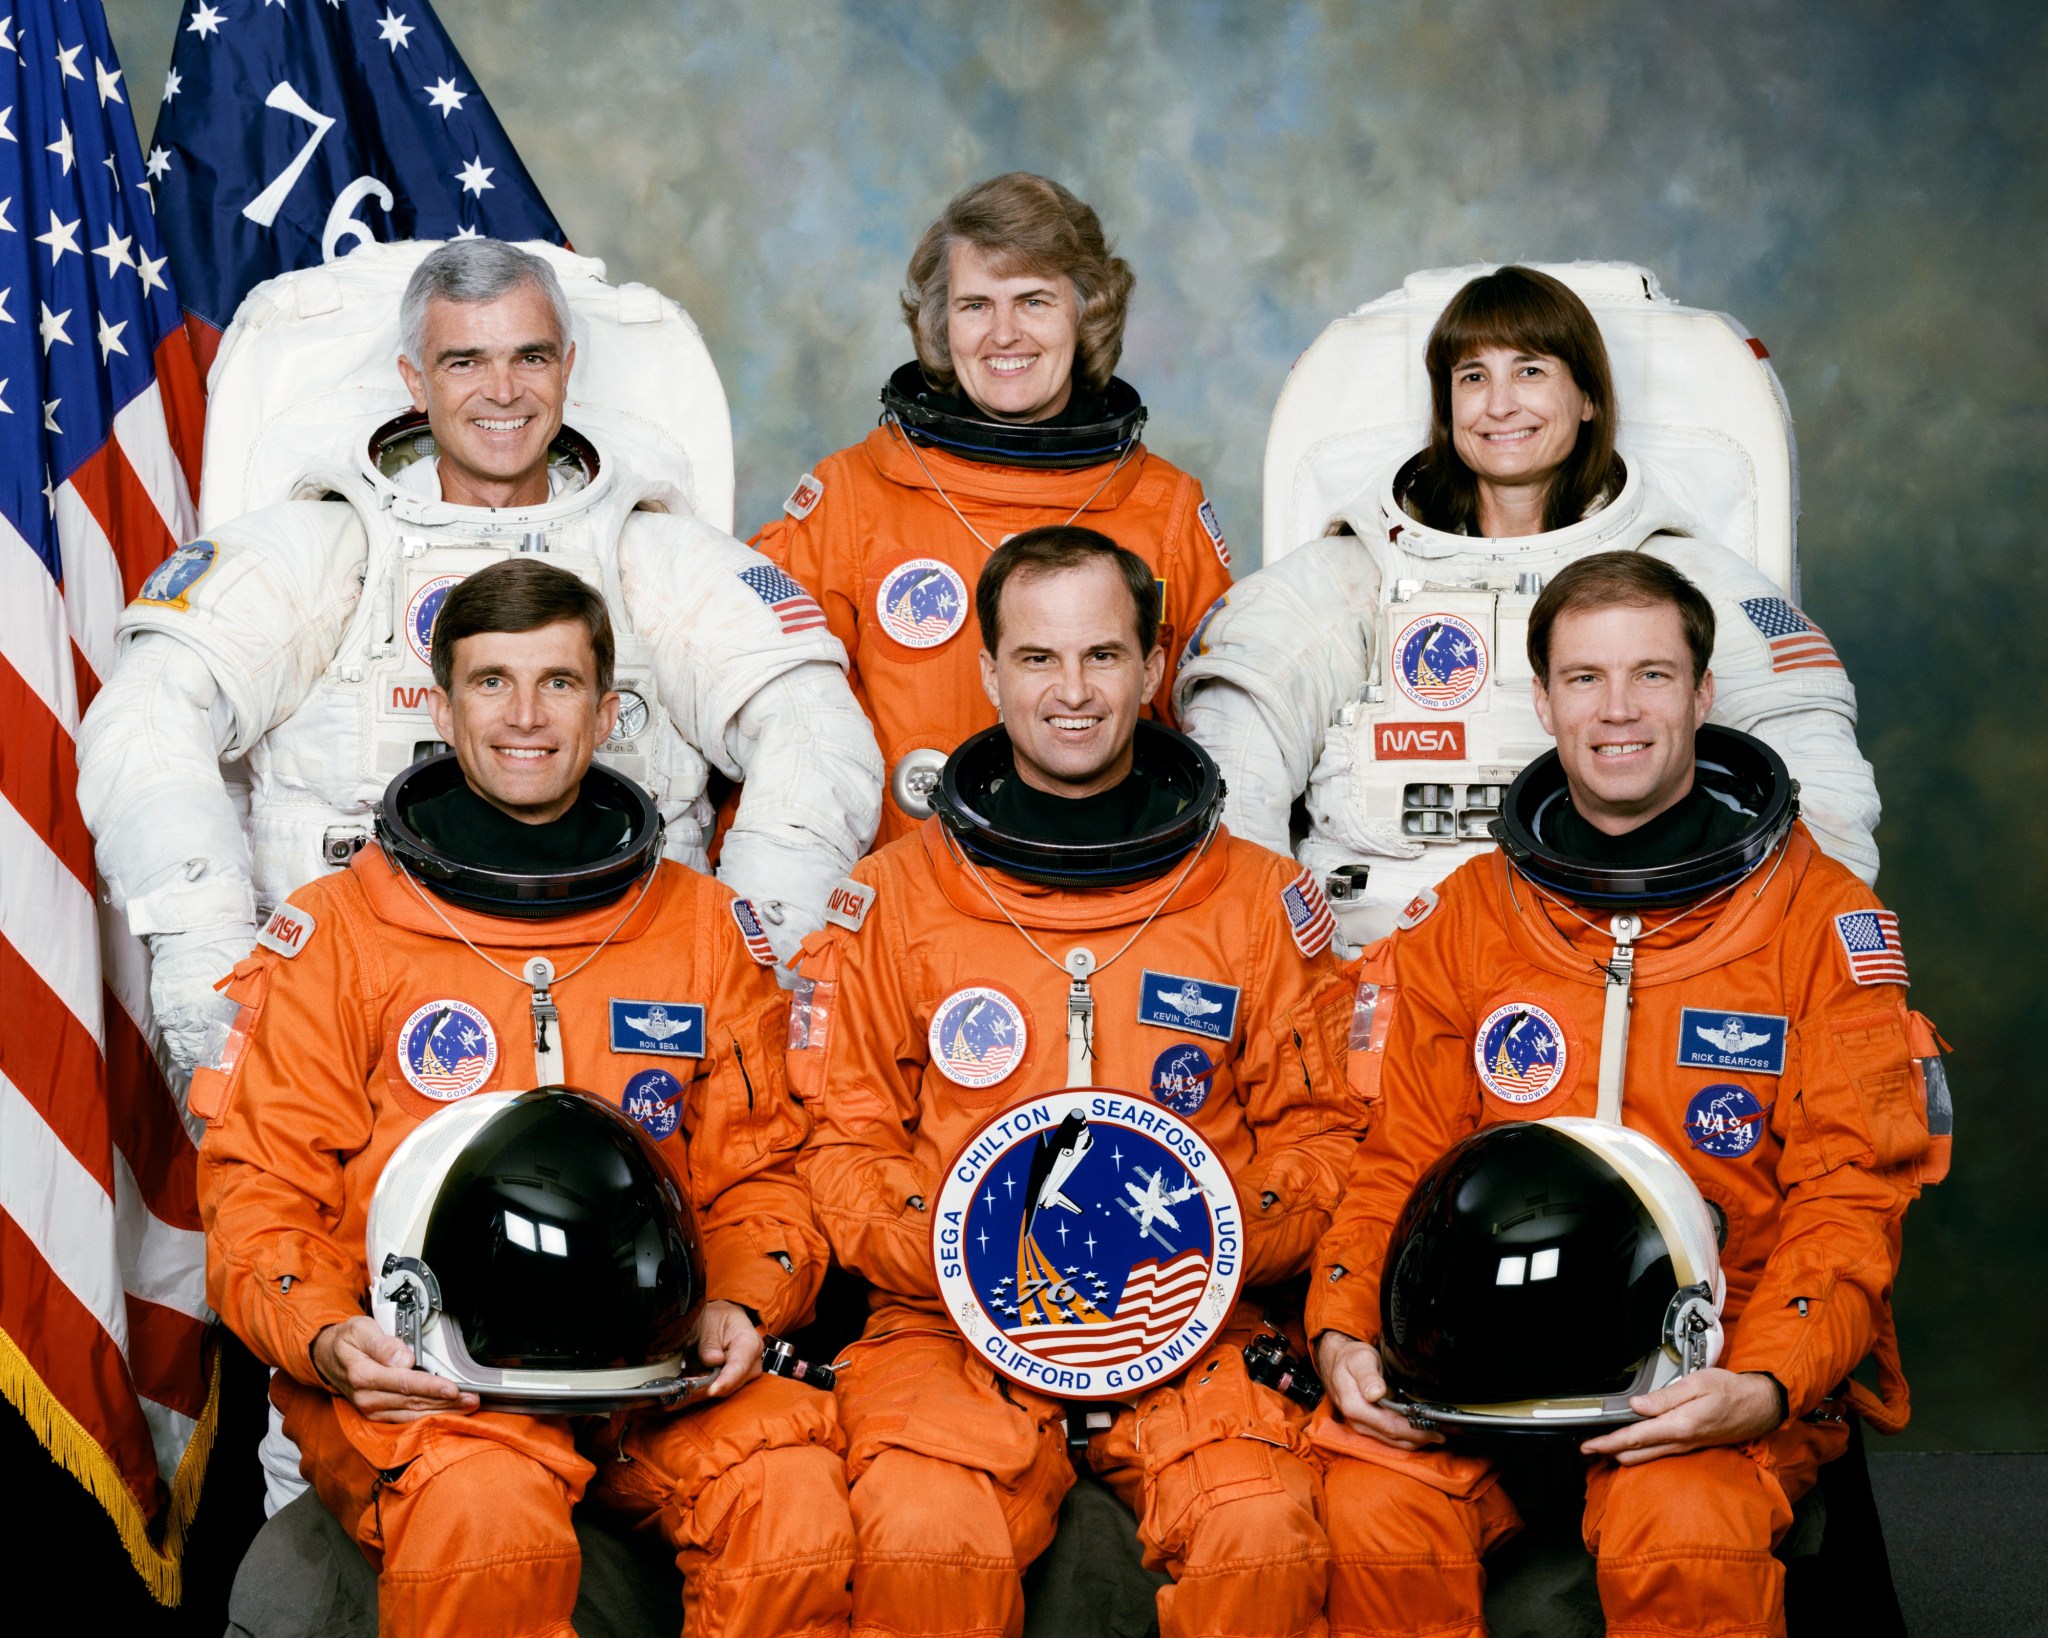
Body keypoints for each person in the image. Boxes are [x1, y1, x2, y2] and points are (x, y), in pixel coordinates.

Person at [193, 559, 855, 1638]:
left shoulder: (695, 928)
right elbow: (257, 1193)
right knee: (485, 1514)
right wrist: (325, 1340)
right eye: (492, 682)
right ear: (442, 706)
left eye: (557, 683)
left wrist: (743, 1303)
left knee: (794, 1499)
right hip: (428, 1378)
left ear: (605, 707)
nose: (525, 717)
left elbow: (763, 1175)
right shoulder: (343, 935)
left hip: (655, 1367)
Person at [1306, 553, 1947, 1638]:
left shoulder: (1817, 926)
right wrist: (1337, 1327)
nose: (1616, 711)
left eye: (1650, 676)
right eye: (1584, 677)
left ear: (1701, 694)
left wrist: (1765, 1382)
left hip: (1716, 1346)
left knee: (1680, 1523)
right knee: (1371, 1505)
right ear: (1543, 696)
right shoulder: (1465, 919)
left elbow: (1849, 1198)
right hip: (1479, 1358)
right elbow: (1392, 1162)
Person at [77, 237, 882, 1084]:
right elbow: (146, 719)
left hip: (626, 1021)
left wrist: (765, 954)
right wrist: (207, 969)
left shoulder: (660, 555)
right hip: (353, 1025)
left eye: (529, 357)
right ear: (415, 381)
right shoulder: (317, 548)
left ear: (568, 368)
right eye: (465, 361)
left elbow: (814, 731)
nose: (503, 390)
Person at [790, 526, 1364, 1638]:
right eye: (1039, 659)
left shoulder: (1252, 899)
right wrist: (972, 1257)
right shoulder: (893, 899)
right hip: (944, 1330)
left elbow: (1331, 1138)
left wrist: (1198, 1244)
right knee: (918, 1531)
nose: (1072, 692)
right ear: (988, 672)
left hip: (1205, 1327)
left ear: (1153, 670)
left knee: (1262, 1532)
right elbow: (838, 1143)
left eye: (1102, 657)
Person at [1175, 264, 1880, 950]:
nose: (1500, 403)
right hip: (1367, 972)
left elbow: (1826, 815)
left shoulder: (1688, 578)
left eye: (1532, 371)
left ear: (1589, 398)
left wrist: (1720, 968)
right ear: (1446, 408)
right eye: (1473, 377)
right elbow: (1234, 806)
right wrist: (1293, 978)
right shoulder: (1349, 575)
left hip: (1618, 964)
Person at [753, 172, 1233, 847]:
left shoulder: (1166, 511)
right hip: (899, 902)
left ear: (1087, 312)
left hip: (1114, 894)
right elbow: (769, 729)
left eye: (1033, 301)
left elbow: (1225, 743)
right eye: (976, 305)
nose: (1003, 334)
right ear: (941, 324)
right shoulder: (852, 499)